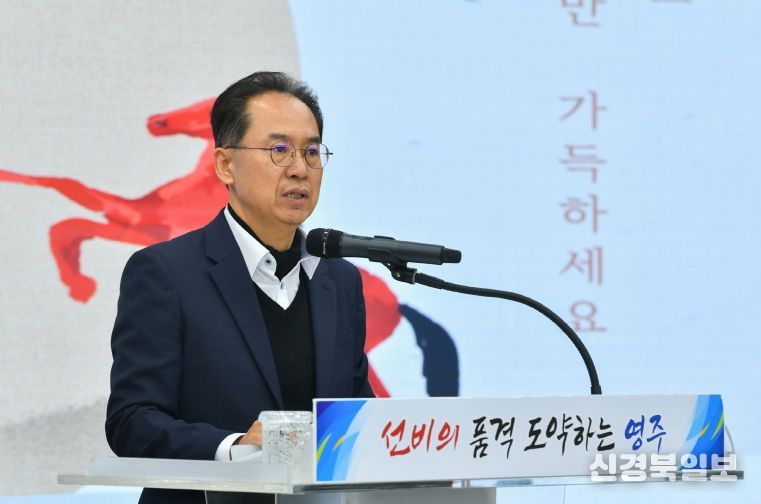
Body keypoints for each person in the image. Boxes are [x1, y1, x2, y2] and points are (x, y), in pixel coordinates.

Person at [106, 71, 374, 504]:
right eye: (279, 150)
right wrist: (233, 449)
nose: (299, 169)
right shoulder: (165, 273)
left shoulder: (338, 279)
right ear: (225, 165)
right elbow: (131, 421)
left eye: (311, 152)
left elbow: (357, 411)